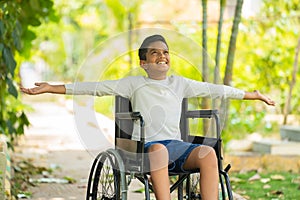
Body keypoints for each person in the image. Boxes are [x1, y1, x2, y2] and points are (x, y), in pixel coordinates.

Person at [21, 34, 275, 200]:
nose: (162, 56)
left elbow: (216, 90)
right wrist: (52, 87)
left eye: (165, 53)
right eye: (154, 53)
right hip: (145, 150)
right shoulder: (132, 84)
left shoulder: (180, 83)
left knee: (208, 153)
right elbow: (94, 87)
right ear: (144, 63)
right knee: (160, 152)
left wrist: (251, 95)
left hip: (177, 147)